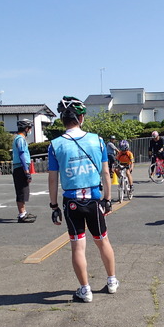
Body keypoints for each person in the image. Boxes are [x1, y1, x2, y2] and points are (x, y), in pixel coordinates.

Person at [47, 96, 118, 302]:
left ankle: (85, 290)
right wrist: (108, 199)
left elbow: (53, 179)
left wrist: (53, 206)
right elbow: (106, 172)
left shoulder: (55, 145)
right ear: (81, 118)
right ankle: (112, 281)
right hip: (95, 199)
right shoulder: (98, 140)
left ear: (63, 119)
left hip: (72, 201)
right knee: (102, 240)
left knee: (78, 245)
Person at [12, 119, 36, 223]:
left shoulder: (19, 139)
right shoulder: (20, 139)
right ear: (26, 129)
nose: (30, 130)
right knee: (21, 191)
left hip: (20, 167)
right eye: (30, 128)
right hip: (21, 167)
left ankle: (24, 212)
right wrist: (26, 171)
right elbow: (22, 155)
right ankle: (22, 214)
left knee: (24, 190)